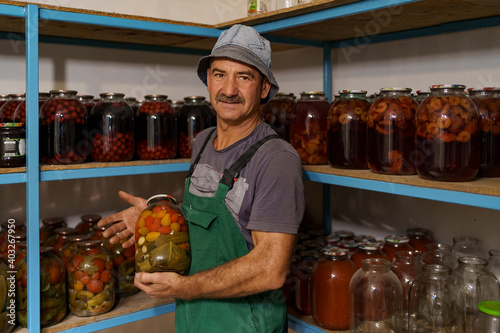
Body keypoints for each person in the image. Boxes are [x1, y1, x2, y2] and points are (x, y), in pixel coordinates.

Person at [98, 24, 305, 332]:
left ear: (264, 89)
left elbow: (269, 270)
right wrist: (158, 215)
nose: (229, 89)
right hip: (194, 319)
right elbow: (212, 219)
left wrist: (181, 288)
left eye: (244, 77)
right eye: (220, 74)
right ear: (207, 80)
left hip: (244, 324)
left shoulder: (276, 160)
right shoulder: (204, 140)